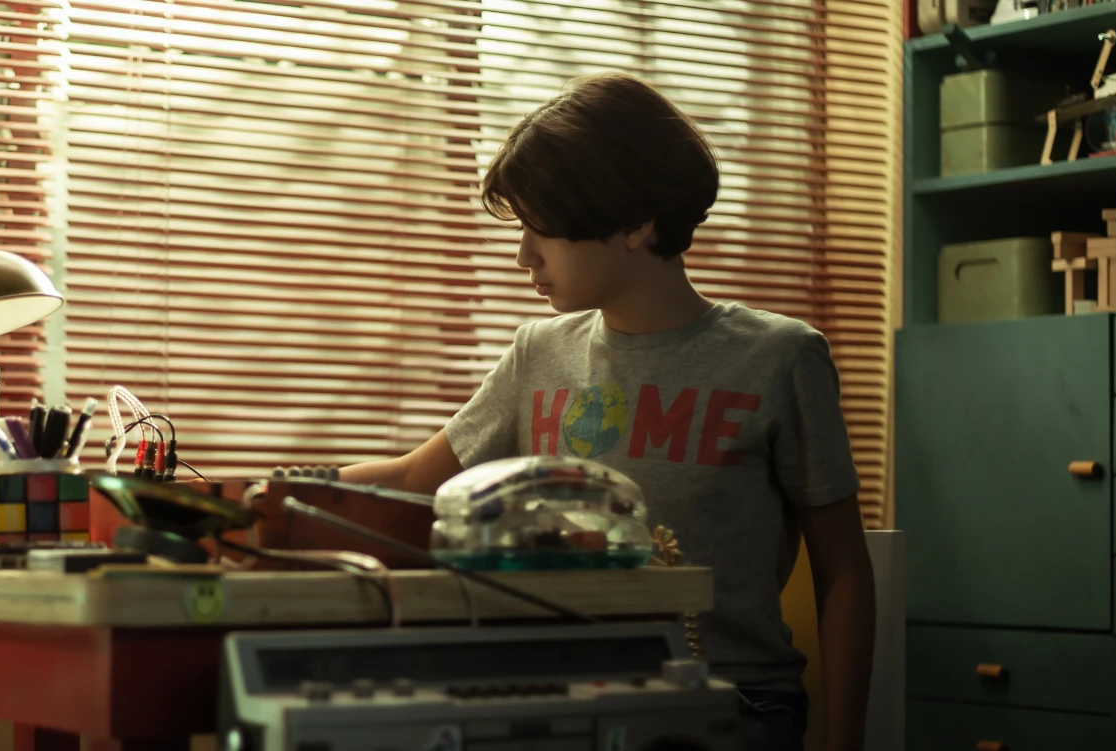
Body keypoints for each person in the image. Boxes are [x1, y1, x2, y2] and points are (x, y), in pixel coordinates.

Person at [339, 73, 874, 751]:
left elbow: (844, 570)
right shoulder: (538, 353)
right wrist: (260, 491)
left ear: (636, 223)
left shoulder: (780, 358)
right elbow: (414, 477)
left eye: (542, 229)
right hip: (568, 697)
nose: (522, 255)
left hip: (730, 703)